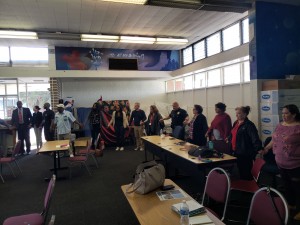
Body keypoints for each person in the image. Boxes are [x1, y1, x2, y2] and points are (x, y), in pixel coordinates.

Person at [262, 104, 300, 221]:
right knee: (287, 186)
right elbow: (274, 139)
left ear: (294, 114)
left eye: (286, 113)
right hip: (280, 162)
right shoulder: (280, 125)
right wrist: (267, 148)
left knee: (297, 188)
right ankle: (291, 204)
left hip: (295, 164)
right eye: (282, 113)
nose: (283, 115)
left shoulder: (298, 127)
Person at [228, 106, 262, 180]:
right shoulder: (235, 123)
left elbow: (255, 138)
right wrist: (229, 138)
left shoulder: (249, 125)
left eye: (239, 113)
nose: (236, 115)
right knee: (240, 170)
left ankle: (248, 189)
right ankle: (244, 184)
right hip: (235, 151)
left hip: (245, 152)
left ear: (245, 114)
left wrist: (258, 149)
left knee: (246, 172)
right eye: (236, 113)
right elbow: (233, 133)